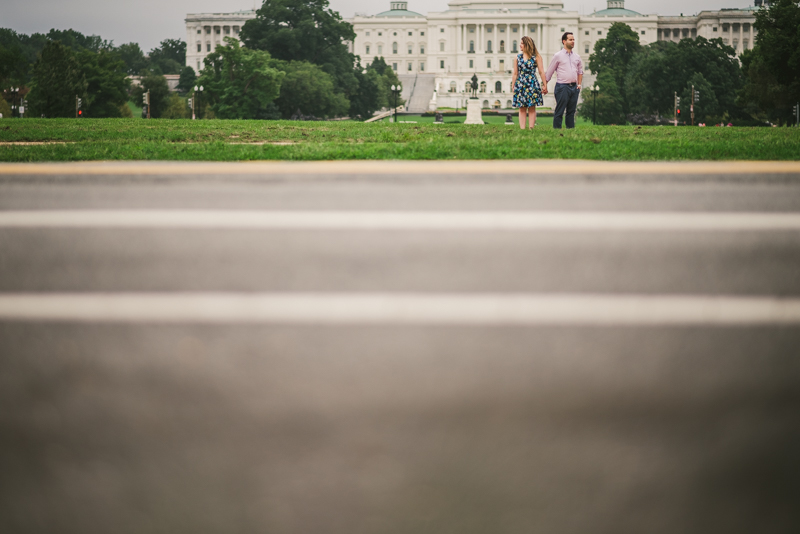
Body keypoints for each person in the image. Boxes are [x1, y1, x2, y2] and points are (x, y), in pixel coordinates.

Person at [545, 32, 583, 129]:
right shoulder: (558, 55)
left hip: (574, 87)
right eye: (570, 39)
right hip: (562, 87)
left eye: (573, 39)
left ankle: (570, 130)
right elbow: (550, 71)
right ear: (564, 41)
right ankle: (557, 130)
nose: (573, 41)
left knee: (571, 111)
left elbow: (580, 71)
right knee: (560, 110)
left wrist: (579, 85)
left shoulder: (577, 57)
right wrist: (544, 85)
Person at [511, 36, 547, 130]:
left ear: (527, 45)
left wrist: (544, 84)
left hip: (532, 83)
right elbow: (515, 73)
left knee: (531, 107)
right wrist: (513, 85)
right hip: (521, 83)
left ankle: (531, 128)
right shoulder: (517, 57)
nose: (520, 45)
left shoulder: (536, 57)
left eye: (522, 43)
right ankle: (522, 128)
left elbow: (541, 71)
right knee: (522, 107)